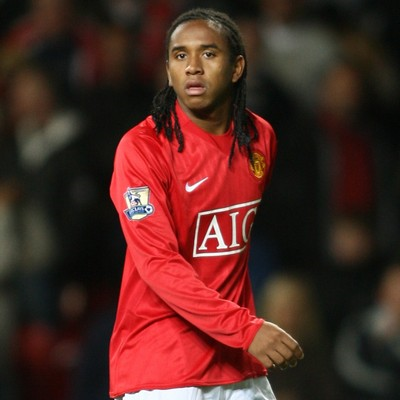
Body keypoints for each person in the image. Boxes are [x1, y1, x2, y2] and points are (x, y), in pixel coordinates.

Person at [109, 8, 304, 400]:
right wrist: (246, 328)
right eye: (180, 55)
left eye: (208, 53)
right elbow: (159, 264)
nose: (193, 66)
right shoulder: (142, 149)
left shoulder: (259, 137)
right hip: (166, 367)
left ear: (237, 68)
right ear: (168, 70)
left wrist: (241, 332)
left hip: (237, 363)